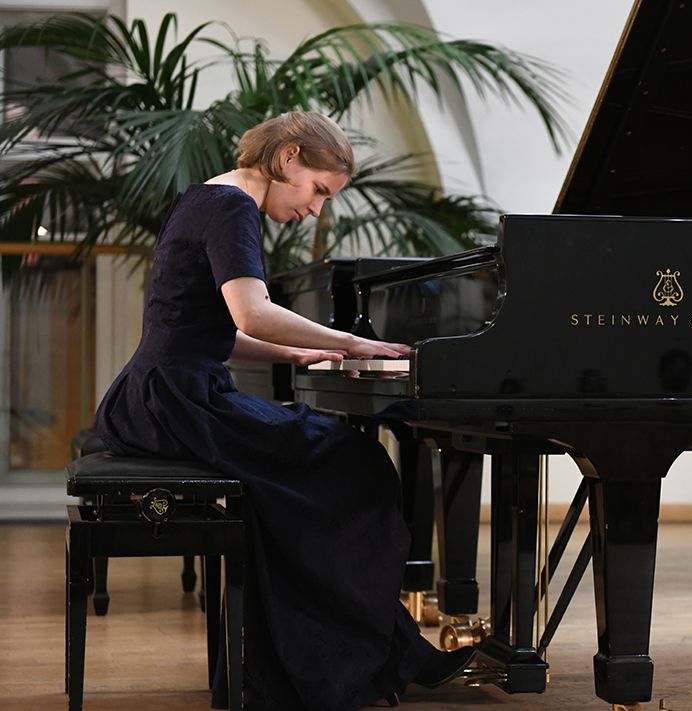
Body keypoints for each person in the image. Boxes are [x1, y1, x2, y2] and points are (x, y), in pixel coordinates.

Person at [94, 111, 474, 710]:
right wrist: (349, 342)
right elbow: (252, 313)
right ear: (289, 156)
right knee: (357, 465)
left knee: (306, 483)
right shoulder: (233, 208)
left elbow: (207, 331)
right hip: (182, 404)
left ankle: (358, 654)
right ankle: (342, 663)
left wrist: (298, 351)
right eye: (319, 190)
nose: (316, 209)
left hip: (158, 395)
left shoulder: (202, 197)